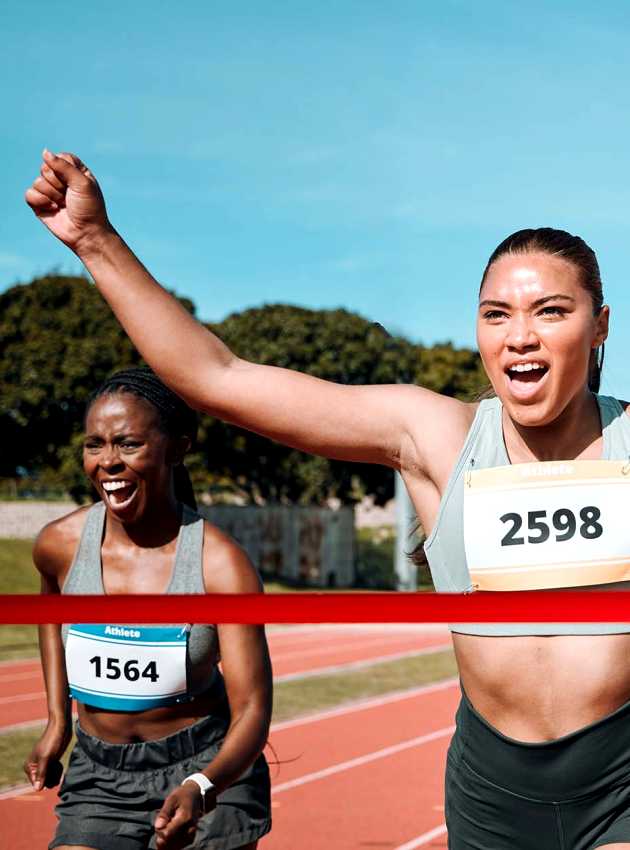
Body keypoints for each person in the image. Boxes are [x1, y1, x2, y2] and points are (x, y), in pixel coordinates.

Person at [25, 150, 630, 849]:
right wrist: (95, 240)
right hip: (492, 792)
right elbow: (216, 376)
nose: (520, 335)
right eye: (497, 314)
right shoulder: (436, 436)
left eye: (551, 311)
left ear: (601, 324)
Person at [24, 366, 272, 850]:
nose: (108, 461)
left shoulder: (221, 566)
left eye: (128, 444)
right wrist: (57, 720)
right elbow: (50, 615)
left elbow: (252, 709)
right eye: (94, 444)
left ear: (178, 448)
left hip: (208, 768)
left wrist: (203, 786)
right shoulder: (58, 545)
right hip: (99, 772)